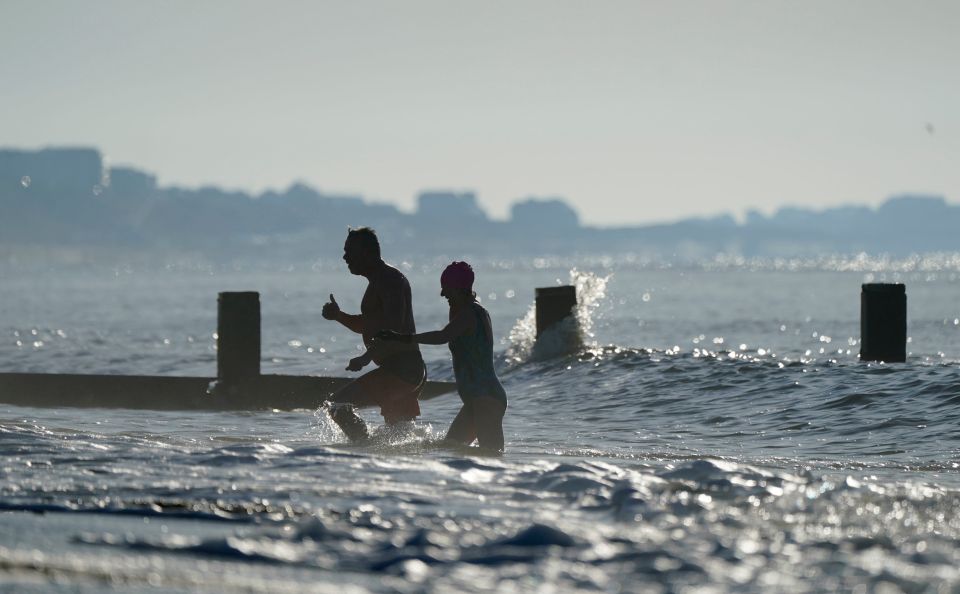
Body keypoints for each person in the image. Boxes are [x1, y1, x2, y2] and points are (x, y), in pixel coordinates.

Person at [379, 261, 507, 453]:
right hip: (475, 400)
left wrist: (403, 338)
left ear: (460, 288)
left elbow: (442, 336)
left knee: (492, 457)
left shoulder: (470, 314)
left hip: (486, 399)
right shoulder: (463, 311)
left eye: (446, 288)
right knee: (451, 448)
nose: (442, 294)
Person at [321, 227, 426, 440]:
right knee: (399, 438)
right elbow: (368, 325)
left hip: (402, 369)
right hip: (401, 368)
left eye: (350, 251)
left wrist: (366, 357)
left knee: (337, 406)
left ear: (367, 253)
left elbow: (393, 328)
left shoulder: (390, 281)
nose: (344, 257)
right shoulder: (378, 281)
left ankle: (363, 449)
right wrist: (339, 316)